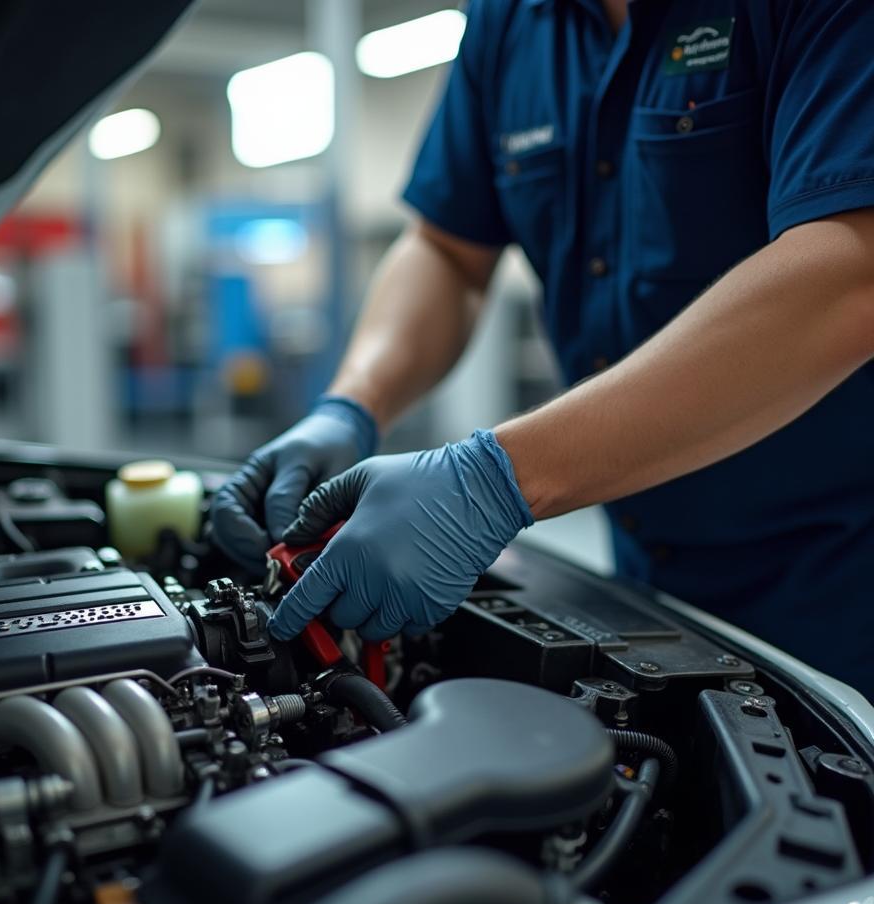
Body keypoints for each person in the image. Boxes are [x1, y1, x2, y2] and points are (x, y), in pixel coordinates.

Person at [212, 0, 874, 689]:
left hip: (844, 576)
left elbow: (852, 269)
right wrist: (352, 404)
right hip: (650, 574)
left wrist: (492, 481)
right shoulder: (509, 21)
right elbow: (446, 250)